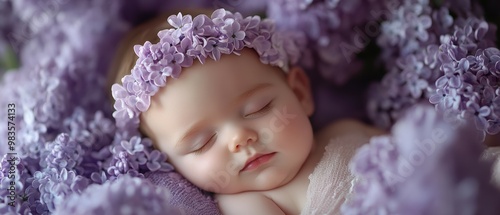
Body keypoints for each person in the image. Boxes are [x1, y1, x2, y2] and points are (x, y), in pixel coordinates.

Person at [106, 8, 386, 214]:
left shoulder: (347, 129)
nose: (239, 138)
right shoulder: (246, 204)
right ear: (171, 166)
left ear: (299, 93)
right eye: (201, 143)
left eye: (258, 109)